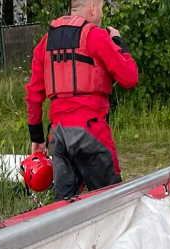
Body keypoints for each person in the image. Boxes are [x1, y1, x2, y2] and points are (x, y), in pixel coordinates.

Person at [26, 0, 139, 200]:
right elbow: (129, 77)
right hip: (90, 130)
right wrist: (119, 43)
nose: (101, 15)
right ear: (93, 8)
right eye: (102, 9)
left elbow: (34, 93)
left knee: (65, 208)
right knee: (111, 200)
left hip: (59, 135)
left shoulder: (46, 41)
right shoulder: (95, 35)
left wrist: (36, 137)